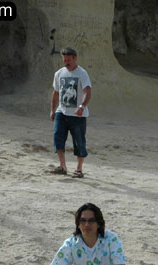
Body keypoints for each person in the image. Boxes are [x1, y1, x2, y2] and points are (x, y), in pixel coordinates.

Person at [49, 47, 91, 179]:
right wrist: (52, 109)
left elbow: (87, 91)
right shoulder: (59, 74)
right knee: (58, 137)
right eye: (64, 60)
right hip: (62, 112)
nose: (66, 62)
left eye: (68, 60)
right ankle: (62, 166)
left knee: (79, 142)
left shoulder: (82, 73)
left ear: (75, 58)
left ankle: (79, 169)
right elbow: (56, 93)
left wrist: (82, 106)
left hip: (77, 115)